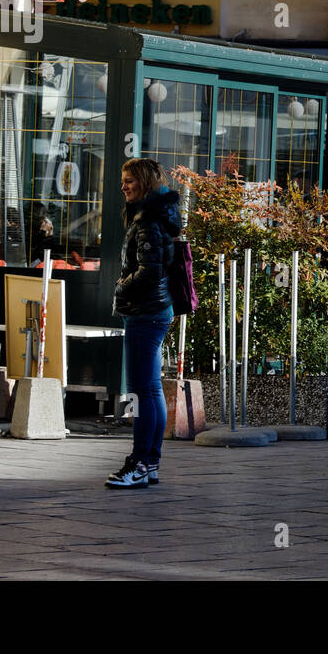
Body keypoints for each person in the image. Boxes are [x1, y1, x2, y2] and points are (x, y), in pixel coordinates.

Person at [107, 158, 181, 488]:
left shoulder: (148, 220)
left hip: (145, 311)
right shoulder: (157, 215)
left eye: (129, 181)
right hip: (157, 311)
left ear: (145, 183)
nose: (123, 186)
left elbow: (150, 270)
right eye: (122, 180)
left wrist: (122, 287)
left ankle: (138, 462)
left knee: (141, 392)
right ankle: (150, 462)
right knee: (151, 390)